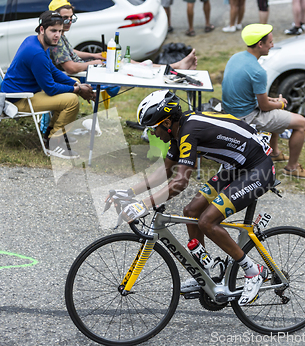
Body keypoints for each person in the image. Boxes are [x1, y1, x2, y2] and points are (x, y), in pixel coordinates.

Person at [116, 89, 274, 305]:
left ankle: (253, 271)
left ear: (166, 123)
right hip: (235, 167)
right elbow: (164, 171)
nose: (151, 134)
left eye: (153, 128)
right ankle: (205, 273)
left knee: (207, 220)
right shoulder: (178, 131)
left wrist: (143, 204)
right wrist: (129, 193)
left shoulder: (190, 131)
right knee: (191, 212)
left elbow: (180, 182)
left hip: (258, 169)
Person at [221, 24, 305, 179]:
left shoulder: (236, 57)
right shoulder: (258, 71)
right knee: (301, 123)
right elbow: (264, 106)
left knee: (276, 111)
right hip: (246, 118)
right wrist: (280, 104)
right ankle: (292, 168)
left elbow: (249, 93)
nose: (272, 45)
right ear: (260, 44)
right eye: (270, 42)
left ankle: (274, 153)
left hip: (231, 111)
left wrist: (273, 101)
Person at [1, 11, 96, 160]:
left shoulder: (34, 41)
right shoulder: (36, 53)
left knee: (73, 85)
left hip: (25, 92)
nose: (57, 35)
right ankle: (54, 143)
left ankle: (51, 134)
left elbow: (52, 70)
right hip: (17, 99)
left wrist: (75, 84)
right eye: (53, 31)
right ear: (41, 29)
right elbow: (50, 88)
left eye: (59, 31)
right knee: (71, 101)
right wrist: (78, 90)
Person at [48, 0, 198, 73]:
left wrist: (97, 55)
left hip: (88, 68)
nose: (69, 22)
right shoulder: (56, 37)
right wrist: (96, 63)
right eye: (64, 18)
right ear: (55, 18)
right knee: (130, 65)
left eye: (71, 18)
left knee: (126, 61)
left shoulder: (60, 34)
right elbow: (71, 68)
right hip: (81, 76)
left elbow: (70, 52)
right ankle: (172, 68)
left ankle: (173, 67)